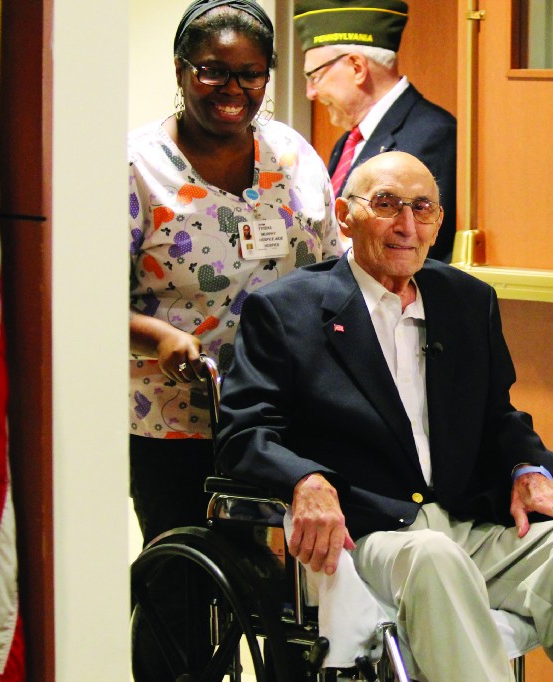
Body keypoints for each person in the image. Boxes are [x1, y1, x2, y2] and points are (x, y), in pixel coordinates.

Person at [216, 151, 553, 681]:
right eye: (387, 205)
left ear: (438, 222)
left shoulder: (466, 300)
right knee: (433, 556)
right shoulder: (285, 310)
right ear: (346, 215)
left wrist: (529, 470)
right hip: (369, 535)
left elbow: (498, 414)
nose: (406, 226)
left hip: (467, 521)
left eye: (423, 208)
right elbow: (244, 432)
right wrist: (306, 478)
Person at [128, 0, 341, 677]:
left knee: (293, 604)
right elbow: (81, 300)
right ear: (181, 70)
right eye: (213, 72)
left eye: (251, 74)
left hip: (281, 419)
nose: (233, 90)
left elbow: (335, 268)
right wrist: (159, 336)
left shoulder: (293, 156)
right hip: (176, 423)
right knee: (182, 604)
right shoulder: (137, 167)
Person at [293, 0, 458, 262]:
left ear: (357, 67)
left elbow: (424, 249)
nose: (310, 93)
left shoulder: (434, 135)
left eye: (315, 76)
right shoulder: (348, 142)